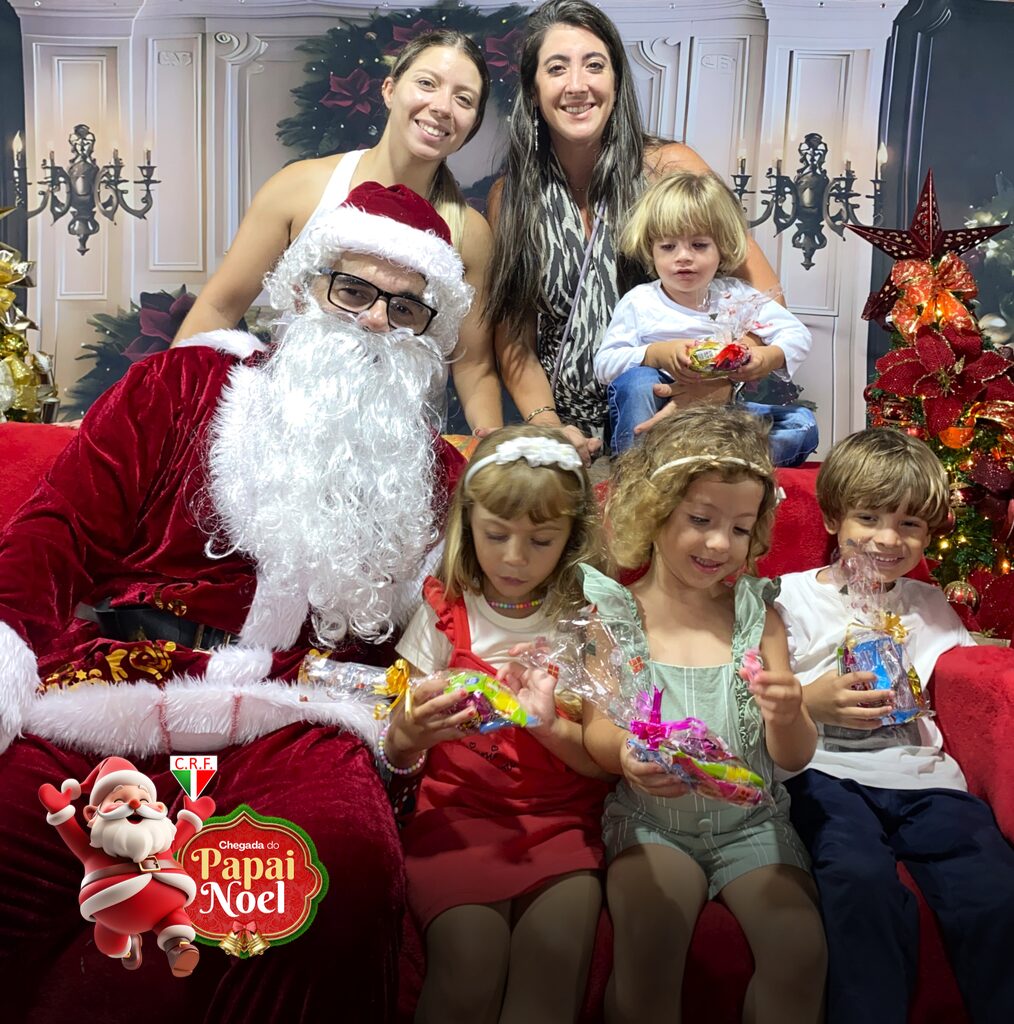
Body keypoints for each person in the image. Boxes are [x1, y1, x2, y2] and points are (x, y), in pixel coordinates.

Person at [0, 182, 472, 1023]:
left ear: (428, 335)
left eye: (404, 308)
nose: (374, 321)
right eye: (353, 290)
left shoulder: (438, 478)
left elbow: (462, 634)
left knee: (341, 870)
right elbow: (56, 530)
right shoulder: (183, 386)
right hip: (112, 686)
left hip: (297, 723)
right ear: (304, 288)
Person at [581, 405, 826, 1023]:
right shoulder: (616, 617)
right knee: (649, 950)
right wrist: (625, 756)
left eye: (740, 528)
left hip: (753, 825)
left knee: (800, 954)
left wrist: (788, 713)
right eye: (700, 519)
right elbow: (597, 728)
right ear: (655, 510)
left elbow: (794, 756)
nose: (721, 543)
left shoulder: (758, 618)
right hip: (653, 823)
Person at [773, 428, 1014, 1024]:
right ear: (833, 518)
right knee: (858, 884)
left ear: (928, 535)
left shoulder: (927, 604)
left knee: (994, 889)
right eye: (869, 517)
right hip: (824, 776)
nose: (887, 538)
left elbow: (970, 669)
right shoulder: (787, 599)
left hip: (927, 779)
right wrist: (809, 701)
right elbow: (756, 693)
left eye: (909, 524)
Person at [383, 425, 613, 1024]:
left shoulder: (586, 622)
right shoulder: (445, 611)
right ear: (468, 524)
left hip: (562, 825)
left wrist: (546, 726)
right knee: (468, 970)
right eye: (496, 534)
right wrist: (411, 733)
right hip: (456, 820)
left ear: (571, 537)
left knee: (551, 976)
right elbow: (395, 742)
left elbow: (603, 763)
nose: (514, 557)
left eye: (540, 540)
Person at [485, 0, 783, 459]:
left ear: (616, 81)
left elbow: (766, 297)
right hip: (569, 437)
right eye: (557, 68)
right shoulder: (511, 196)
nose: (577, 85)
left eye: (594, 65)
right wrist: (548, 425)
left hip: (670, 415)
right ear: (533, 89)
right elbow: (514, 340)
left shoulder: (669, 167)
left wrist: (718, 384)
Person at [175, 30, 502, 432]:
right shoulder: (300, 188)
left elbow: (474, 365)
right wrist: (168, 406)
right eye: (427, 83)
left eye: (463, 99)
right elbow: (219, 308)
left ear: (472, 124)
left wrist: (491, 443)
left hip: (401, 443)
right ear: (389, 89)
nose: (442, 106)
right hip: (284, 430)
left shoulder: (470, 233)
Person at [595, 171, 818, 462]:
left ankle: (710, 458)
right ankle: (637, 466)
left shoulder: (736, 295)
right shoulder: (640, 301)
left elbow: (797, 334)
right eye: (668, 246)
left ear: (721, 248)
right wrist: (656, 354)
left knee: (802, 422)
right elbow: (605, 364)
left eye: (699, 245)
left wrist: (767, 357)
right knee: (637, 382)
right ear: (651, 250)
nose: (683, 256)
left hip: (719, 415)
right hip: (659, 410)